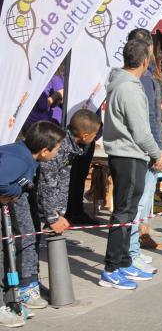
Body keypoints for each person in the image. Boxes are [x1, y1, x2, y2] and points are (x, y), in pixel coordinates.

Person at [101, 39, 162, 290]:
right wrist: (157, 154)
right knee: (124, 212)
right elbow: (141, 131)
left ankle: (124, 260)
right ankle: (111, 268)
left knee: (129, 213)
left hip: (130, 154)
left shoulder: (127, 84)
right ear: (144, 61)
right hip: (128, 155)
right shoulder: (129, 88)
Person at [31, 111, 100, 309]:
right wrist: (52, 216)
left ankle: (31, 282)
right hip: (32, 201)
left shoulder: (71, 146)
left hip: (48, 205)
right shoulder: (59, 146)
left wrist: (59, 210)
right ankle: (26, 286)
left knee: (34, 243)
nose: (95, 138)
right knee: (28, 243)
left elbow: (61, 180)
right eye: (95, 135)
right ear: (86, 136)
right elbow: (48, 182)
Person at [1, 121, 65, 323]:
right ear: (45, 151)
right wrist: (14, 191)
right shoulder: (19, 161)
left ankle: (12, 300)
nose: (58, 152)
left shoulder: (26, 155)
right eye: (57, 149)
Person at [127, 28, 162, 273]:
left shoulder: (136, 77)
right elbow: (148, 118)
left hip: (139, 147)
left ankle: (132, 251)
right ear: (149, 49)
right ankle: (131, 253)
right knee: (138, 204)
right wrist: (156, 152)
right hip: (144, 148)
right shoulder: (142, 78)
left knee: (136, 204)